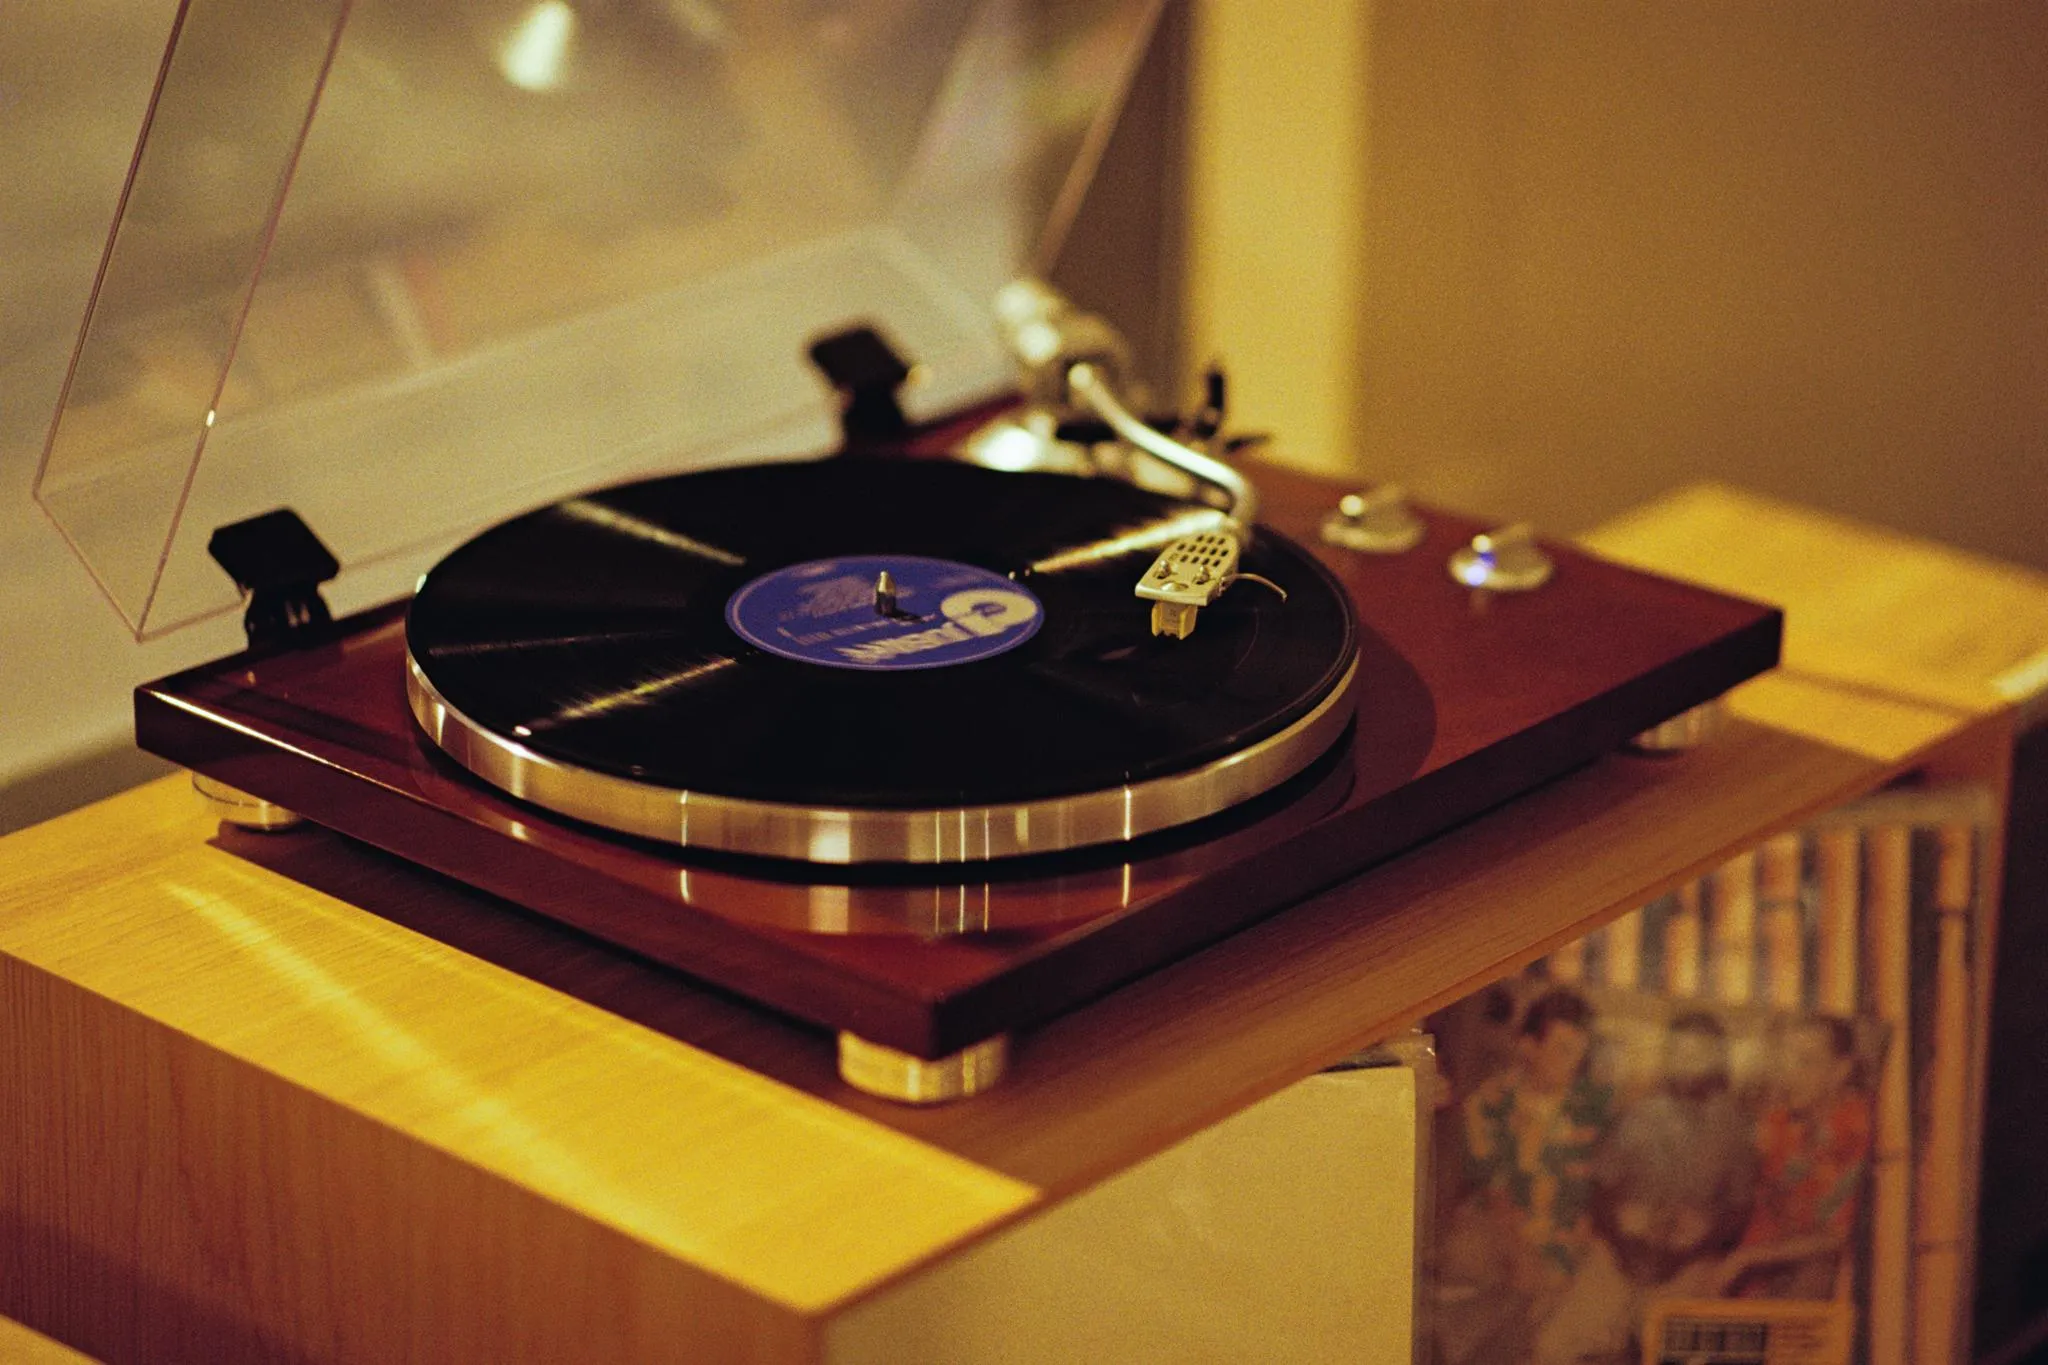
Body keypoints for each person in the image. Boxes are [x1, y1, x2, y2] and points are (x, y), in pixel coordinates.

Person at [1436, 988, 1613, 1364]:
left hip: (1567, 1249)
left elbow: (1595, 1193)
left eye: (1579, 1054)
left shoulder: (1588, 1108)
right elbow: (1494, 1193)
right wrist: (1521, 1254)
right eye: (1563, 1050)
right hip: (1499, 1240)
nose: (1572, 1064)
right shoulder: (1489, 1105)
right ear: (1529, 1047)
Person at [1716, 1016, 1872, 1300]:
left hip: (1803, 1275)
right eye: (1786, 1062)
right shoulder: (1777, 1122)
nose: (1790, 1075)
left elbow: (1838, 1235)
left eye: (1805, 1062)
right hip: (1750, 1270)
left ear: (1840, 1071)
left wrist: (1748, 1258)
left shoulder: (1858, 1128)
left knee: (1816, 1273)